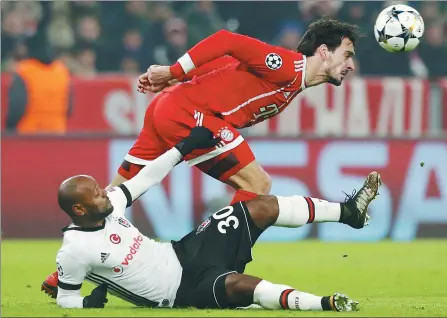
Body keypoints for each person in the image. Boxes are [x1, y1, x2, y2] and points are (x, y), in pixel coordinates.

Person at [50, 127, 381, 311]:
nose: (106, 193)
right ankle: (325, 305)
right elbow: (66, 298)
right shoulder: (75, 249)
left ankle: (348, 213)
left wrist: (182, 148)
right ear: (79, 210)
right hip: (180, 292)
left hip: (185, 251)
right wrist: (85, 306)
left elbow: (147, 177)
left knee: (260, 206)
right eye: (96, 193)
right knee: (239, 286)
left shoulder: (111, 207)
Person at [114, 18, 360, 206]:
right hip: (188, 112)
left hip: (169, 106)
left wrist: (181, 77)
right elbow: (226, 41)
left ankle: (85, 230)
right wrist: (174, 72)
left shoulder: (292, 81)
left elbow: (228, 65)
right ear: (325, 52)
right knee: (257, 184)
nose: (351, 65)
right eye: (347, 55)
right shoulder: (287, 66)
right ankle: (212, 256)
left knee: (116, 195)